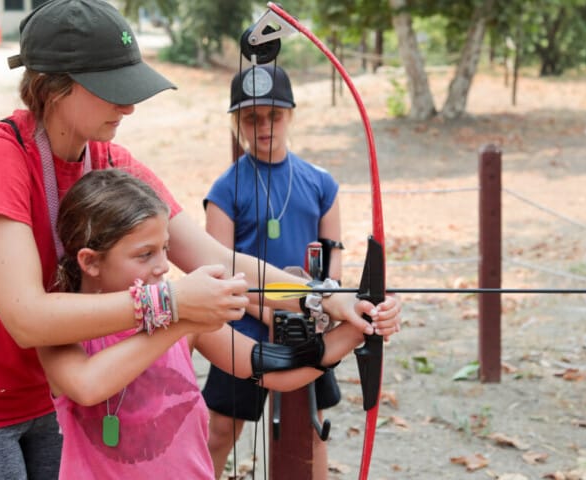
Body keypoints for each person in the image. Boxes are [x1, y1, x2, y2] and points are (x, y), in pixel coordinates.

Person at [0, 1, 403, 479]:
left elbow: (216, 259)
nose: (128, 105)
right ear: (54, 87)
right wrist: (171, 303)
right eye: (112, 90)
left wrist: (322, 298)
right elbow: (26, 317)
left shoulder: (109, 160)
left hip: (48, 396)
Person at [37, 168, 388, 479]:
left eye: (166, 249)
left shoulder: (185, 321)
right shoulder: (60, 327)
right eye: (145, 255)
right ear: (90, 262)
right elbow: (87, 386)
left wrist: (357, 328)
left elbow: (270, 367)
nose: (163, 266)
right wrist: (178, 319)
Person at [202, 64, 345, 480]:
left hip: (309, 326)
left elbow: (334, 262)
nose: (264, 127)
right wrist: (269, 314)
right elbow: (218, 271)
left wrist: (324, 305)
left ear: (291, 115)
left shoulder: (321, 184)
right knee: (221, 430)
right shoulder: (225, 190)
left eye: (274, 116)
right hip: (244, 330)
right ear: (237, 123)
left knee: (312, 431)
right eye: (251, 118)